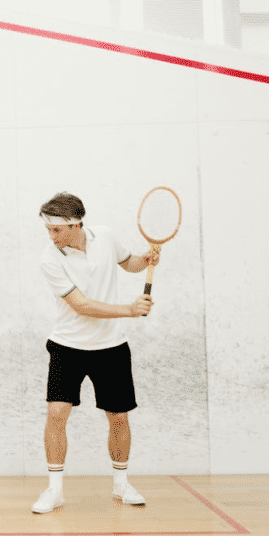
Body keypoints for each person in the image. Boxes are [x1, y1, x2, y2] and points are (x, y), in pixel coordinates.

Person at [32, 192, 157, 514]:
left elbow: (128, 263)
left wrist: (146, 259)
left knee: (118, 417)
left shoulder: (105, 236)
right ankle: (54, 491)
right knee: (56, 414)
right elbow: (82, 306)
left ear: (76, 224)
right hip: (67, 347)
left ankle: (121, 485)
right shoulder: (50, 258)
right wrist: (130, 310)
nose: (52, 236)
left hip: (111, 348)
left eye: (57, 229)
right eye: (48, 229)